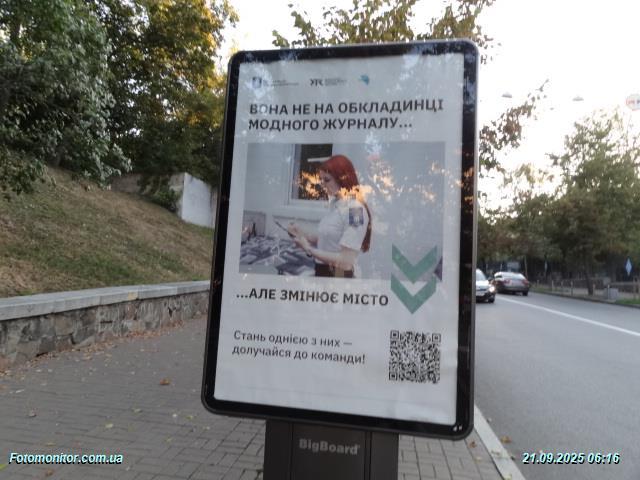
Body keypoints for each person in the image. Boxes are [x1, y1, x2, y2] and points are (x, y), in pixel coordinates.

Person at [288, 154, 372, 278]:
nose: (322, 184)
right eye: (321, 180)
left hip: (339, 276)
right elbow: (330, 238)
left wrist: (308, 249)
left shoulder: (356, 210)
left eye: (327, 180)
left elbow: (346, 261)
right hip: (324, 271)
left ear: (343, 179)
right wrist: (302, 234)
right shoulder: (336, 204)